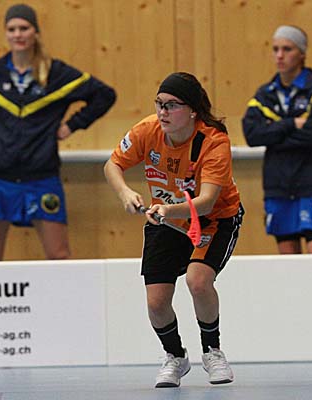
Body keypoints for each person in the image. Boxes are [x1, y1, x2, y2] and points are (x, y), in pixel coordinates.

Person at [104, 72, 243, 388]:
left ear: (192, 110)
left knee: (198, 281)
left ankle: (212, 351)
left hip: (213, 220)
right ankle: (175, 356)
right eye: (159, 104)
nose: (162, 112)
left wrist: (168, 209)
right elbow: (112, 165)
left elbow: (206, 202)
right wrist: (125, 193)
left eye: (171, 105)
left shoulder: (213, 142)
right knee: (156, 302)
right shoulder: (147, 130)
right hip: (166, 220)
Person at [0, 4, 116, 261]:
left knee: (59, 256)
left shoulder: (57, 74)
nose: (18, 34)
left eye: (24, 28)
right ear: (6, 34)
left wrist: (71, 126)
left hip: (41, 177)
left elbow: (104, 95)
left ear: (35, 32)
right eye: (11, 29)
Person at [242, 25, 312, 255]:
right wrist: (290, 124)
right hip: (278, 185)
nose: (280, 55)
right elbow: (252, 135)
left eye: (287, 49)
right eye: (275, 49)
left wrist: (273, 134)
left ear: (301, 53)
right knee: (288, 260)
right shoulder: (264, 94)